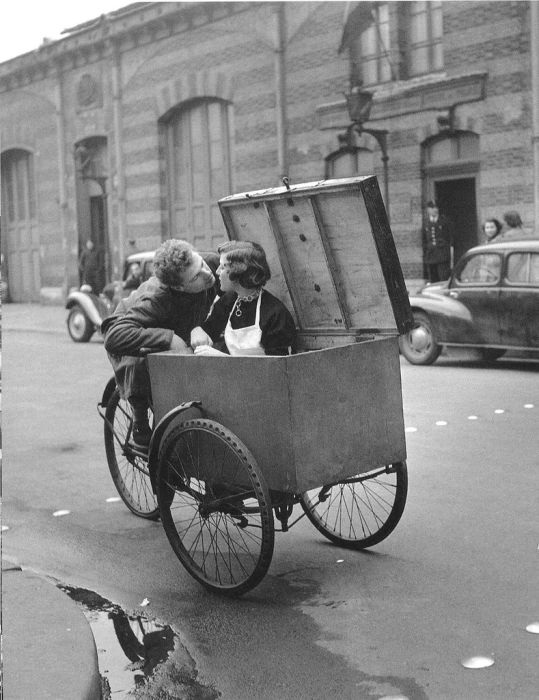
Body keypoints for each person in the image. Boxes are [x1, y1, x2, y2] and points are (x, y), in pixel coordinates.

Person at [102, 239, 219, 448]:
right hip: (132, 327)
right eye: (196, 277)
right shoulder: (156, 298)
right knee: (140, 363)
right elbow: (114, 336)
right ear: (178, 286)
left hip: (181, 323)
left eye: (200, 264)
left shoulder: (210, 263)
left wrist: (204, 328)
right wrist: (168, 338)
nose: (206, 274)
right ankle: (139, 419)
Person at [190, 240, 297, 357]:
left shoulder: (275, 314)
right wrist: (197, 330)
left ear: (239, 272)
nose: (217, 271)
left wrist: (224, 359)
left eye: (223, 267)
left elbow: (281, 367)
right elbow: (209, 330)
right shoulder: (229, 300)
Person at [422, 200, 454, 283]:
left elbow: (450, 237)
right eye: (432, 207)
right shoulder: (425, 223)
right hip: (430, 256)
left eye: (436, 207)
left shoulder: (444, 221)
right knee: (433, 280)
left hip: (442, 255)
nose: (434, 209)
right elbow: (424, 240)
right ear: (428, 210)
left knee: (443, 278)